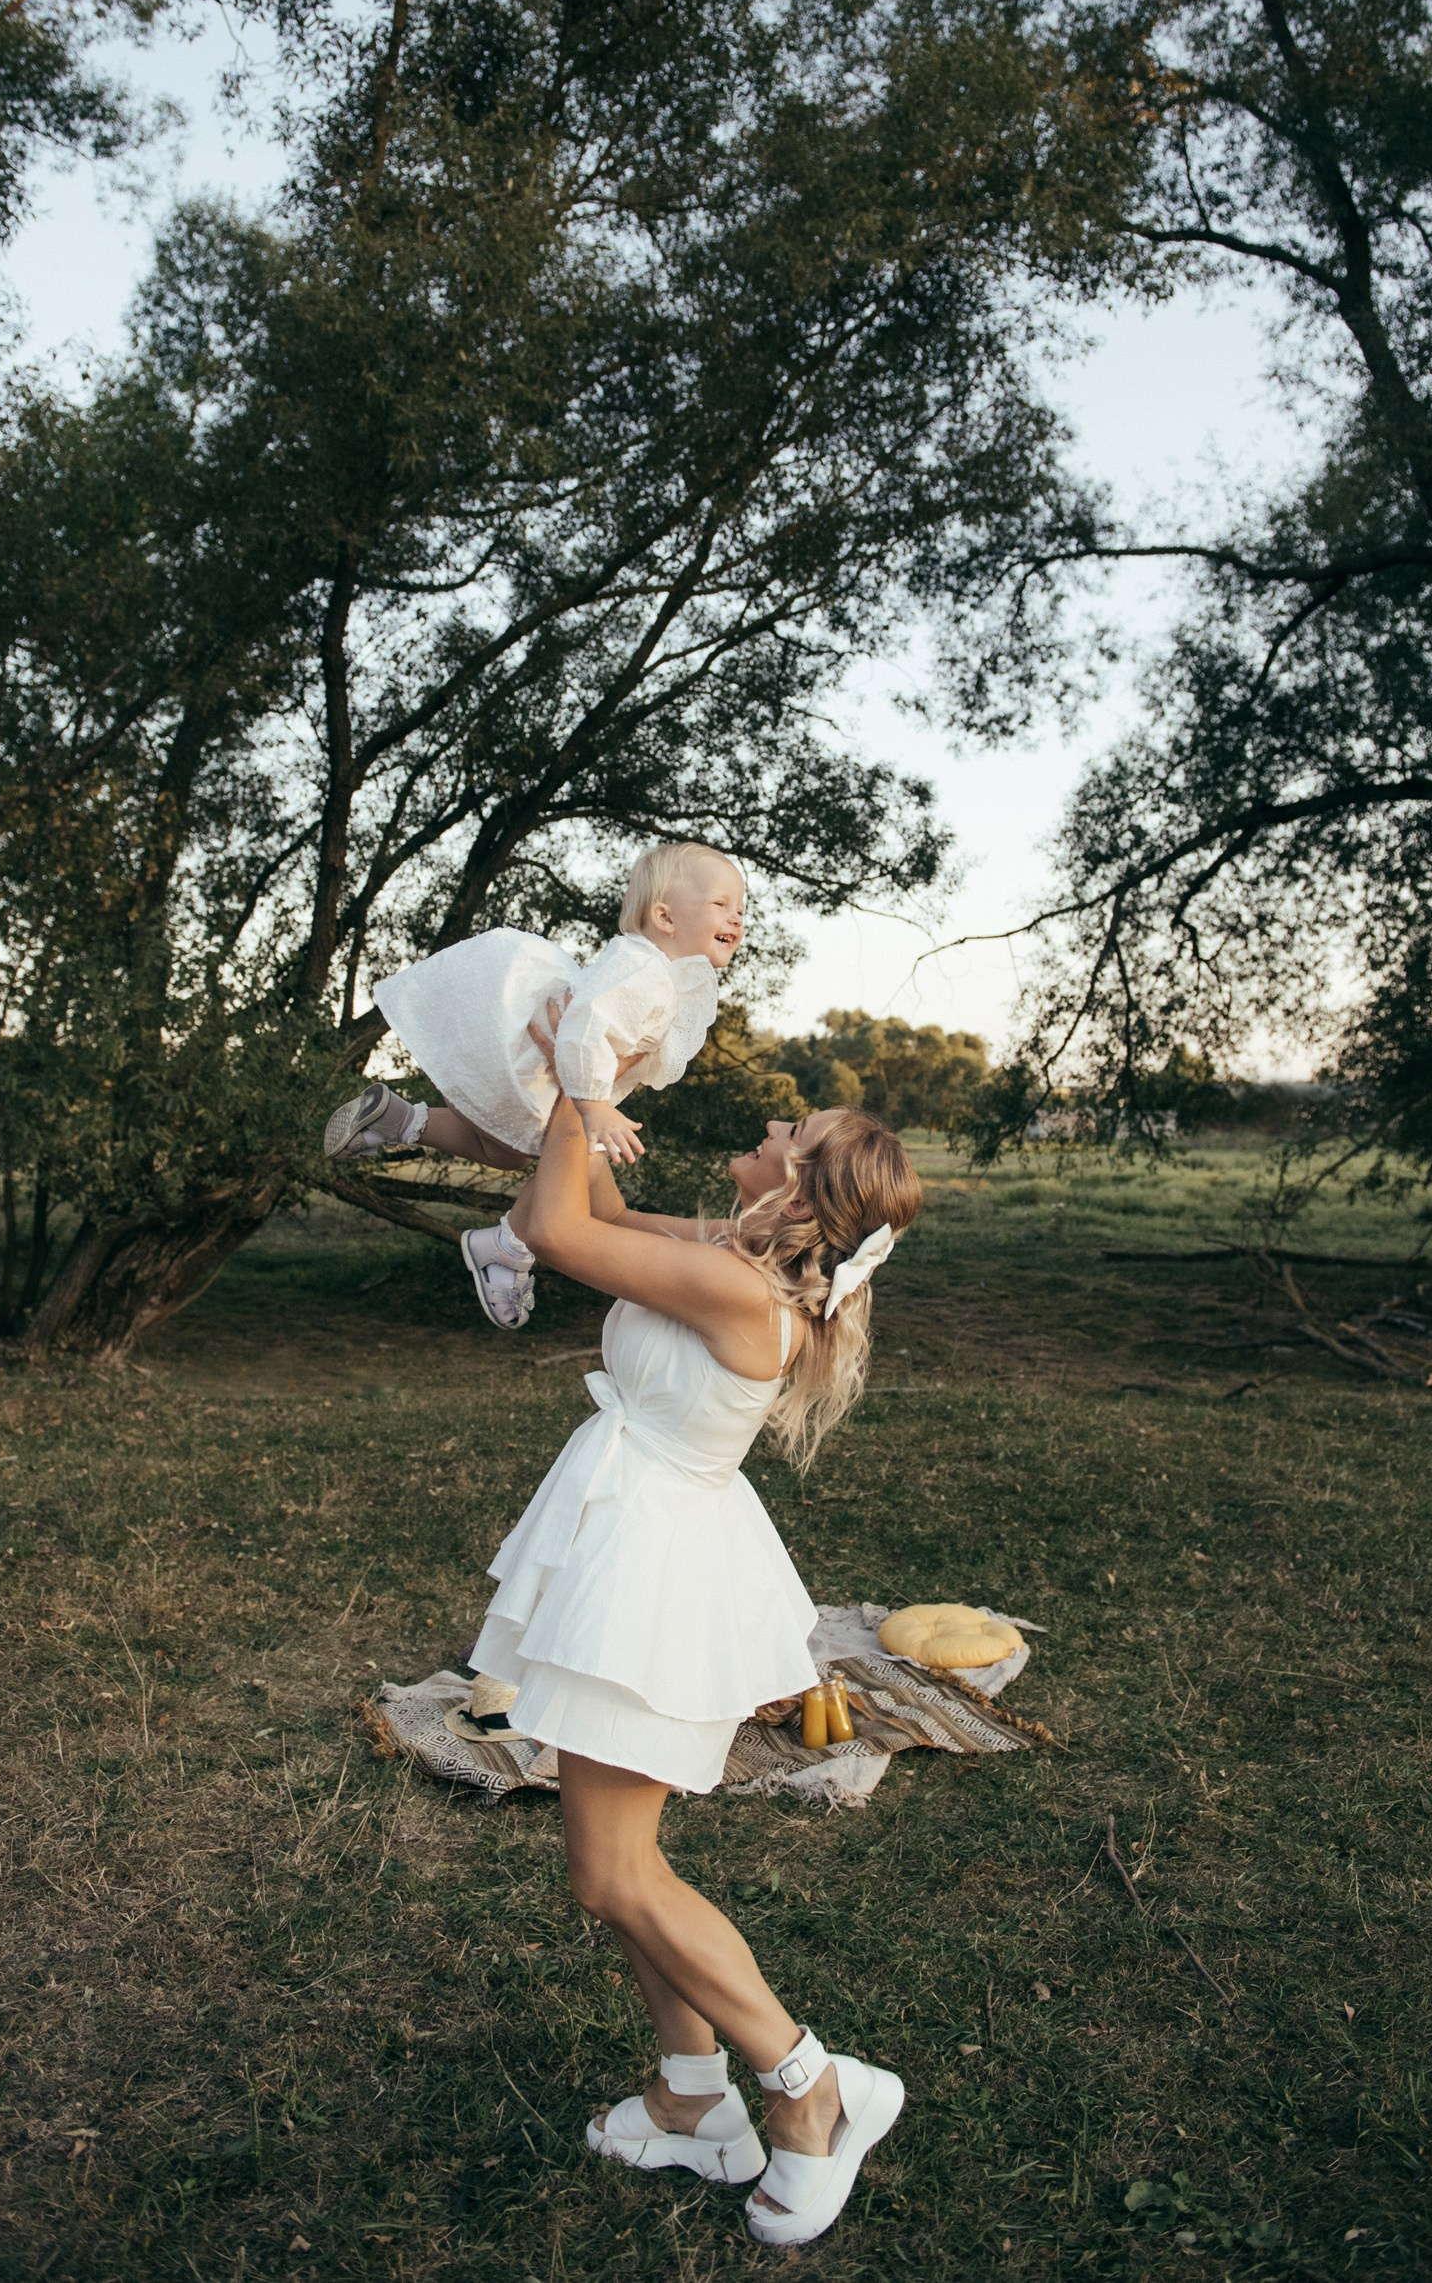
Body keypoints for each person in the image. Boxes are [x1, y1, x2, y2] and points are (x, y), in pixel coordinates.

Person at [467, 1080, 922, 2247]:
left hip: (653, 1580)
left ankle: (811, 2085)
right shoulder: (727, 1251)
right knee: (621, 1866)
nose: (770, 1128)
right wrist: (574, 1078)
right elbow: (588, 1206)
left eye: (791, 1136)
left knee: (611, 1877)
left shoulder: (736, 1287)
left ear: (801, 1186)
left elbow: (562, 1236)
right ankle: (691, 2095)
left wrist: (577, 1075)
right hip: (629, 1545)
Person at [321, 842, 745, 1328]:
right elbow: (583, 1029)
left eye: (740, 909)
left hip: (553, 1071)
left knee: (515, 1155)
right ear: (665, 916)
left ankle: (402, 1122)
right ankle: (505, 1246)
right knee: (551, 1154)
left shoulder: (656, 971)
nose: (735, 918)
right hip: (549, 1069)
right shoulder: (645, 972)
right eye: (721, 904)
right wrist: (592, 1107)